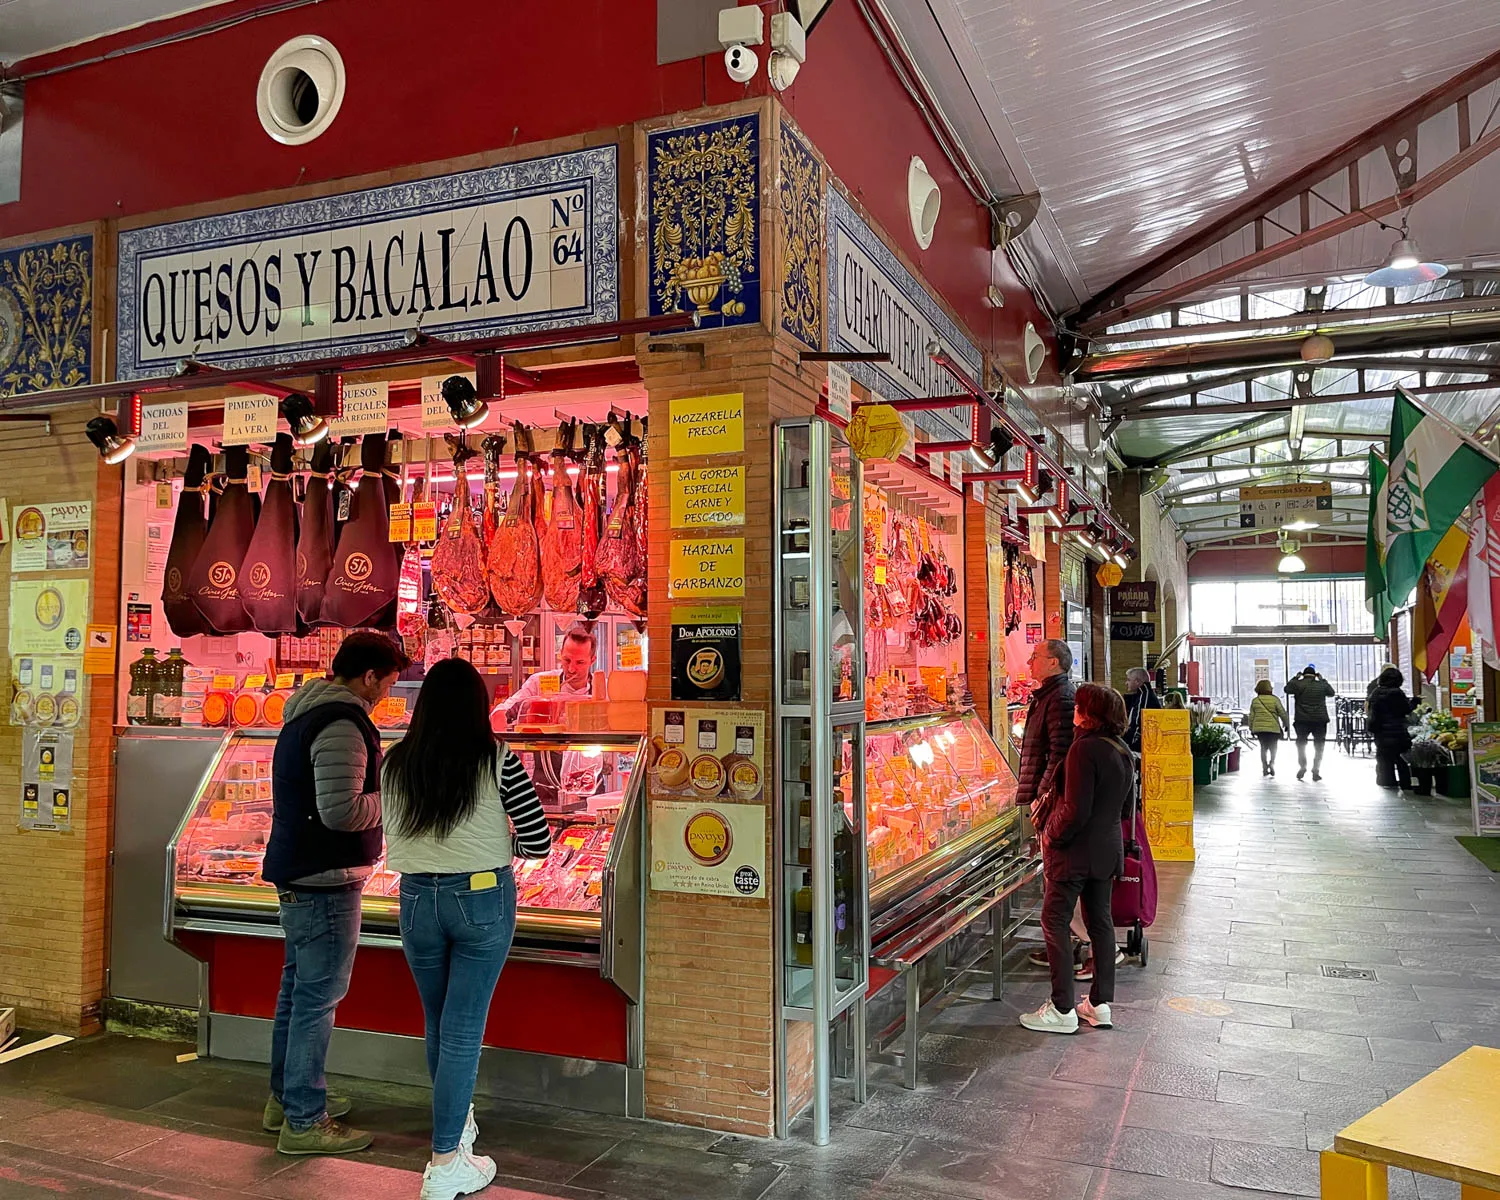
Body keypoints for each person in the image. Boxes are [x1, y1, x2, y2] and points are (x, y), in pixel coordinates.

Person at [383, 657, 553, 1200]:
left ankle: (457, 1126)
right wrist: (504, 848)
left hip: (415, 900)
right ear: (479, 707)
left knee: (439, 1023)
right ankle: (445, 1162)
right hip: (480, 898)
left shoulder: (395, 762)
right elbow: (539, 840)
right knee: (462, 1030)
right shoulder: (497, 759)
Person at [262, 632, 410, 1156]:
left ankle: (286, 1097)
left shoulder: (307, 713)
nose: (386, 693)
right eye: (388, 682)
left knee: (298, 990)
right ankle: (304, 1119)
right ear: (369, 676)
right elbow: (341, 810)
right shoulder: (342, 724)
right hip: (323, 877)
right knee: (316, 999)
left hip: (304, 873)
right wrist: (393, 798)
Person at [1020, 683, 1133, 1035]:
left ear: (1089, 714)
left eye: (1079, 707)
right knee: (1100, 922)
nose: (1074, 713)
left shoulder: (1084, 750)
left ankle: (1062, 1008)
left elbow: (1075, 809)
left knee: (1054, 920)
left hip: (1075, 852)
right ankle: (1099, 1004)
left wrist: (1051, 834)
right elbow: (1125, 807)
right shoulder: (1122, 749)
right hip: (1106, 849)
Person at [1018, 639, 1077, 968]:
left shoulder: (1060, 698)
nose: (1029, 661)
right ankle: (1063, 946)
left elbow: (1059, 754)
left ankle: (1069, 947)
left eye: (1036, 656)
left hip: (1051, 801)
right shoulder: (1048, 695)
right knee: (1053, 879)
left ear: (1053, 663)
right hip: (1047, 798)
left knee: (1057, 879)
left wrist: (1042, 795)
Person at [1368, 666, 1420, 790]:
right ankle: (1405, 783)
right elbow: (1405, 709)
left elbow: (1372, 711)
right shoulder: (1397, 693)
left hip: (1380, 731)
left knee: (1383, 758)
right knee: (1401, 759)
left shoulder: (1376, 692)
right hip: (1397, 731)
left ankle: (1385, 780)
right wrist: (1415, 702)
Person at [1284, 664, 1335, 782]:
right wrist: (1322, 679)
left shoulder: (1297, 684)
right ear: (1314, 674)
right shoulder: (1321, 684)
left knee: (1301, 744)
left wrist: (1295, 678)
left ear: (1303, 674)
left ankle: (1303, 766)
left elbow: (1287, 689)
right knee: (1319, 746)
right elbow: (1331, 692)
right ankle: (1316, 769)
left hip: (1302, 720)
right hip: (1319, 720)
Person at [1246, 679, 1291, 777]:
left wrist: (1251, 728)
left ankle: (1264, 767)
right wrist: (1286, 724)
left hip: (1260, 729)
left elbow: (1251, 716)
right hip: (1273, 729)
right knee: (1273, 748)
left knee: (1263, 748)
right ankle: (1272, 763)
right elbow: (1282, 713)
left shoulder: (1255, 701)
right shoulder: (1275, 700)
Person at [1123, 667, 1160, 755]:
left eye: (1128, 680)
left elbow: (1139, 725)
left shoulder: (1145, 698)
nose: (1126, 683)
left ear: (1137, 682)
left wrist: (1128, 746)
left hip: (1140, 749)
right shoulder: (1142, 695)